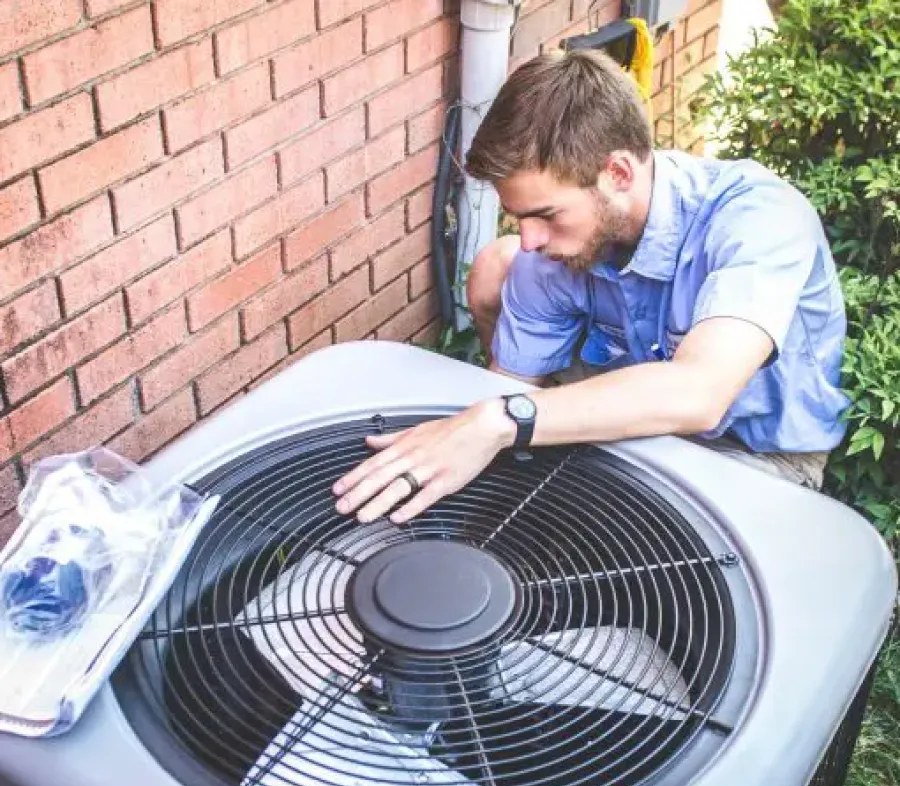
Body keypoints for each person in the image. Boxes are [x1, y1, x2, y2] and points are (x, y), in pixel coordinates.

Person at [332, 49, 849, 525]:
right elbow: (513, 388)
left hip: (752, 450)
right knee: (499, 264)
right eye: (518, 217)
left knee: (631, 561)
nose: (530, 239)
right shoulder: (550, 248)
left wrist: (501, 421)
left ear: (618, 173)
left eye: (546, 214)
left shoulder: (758, 219)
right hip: (639, 402)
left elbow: (701, 393)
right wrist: (467, 439)